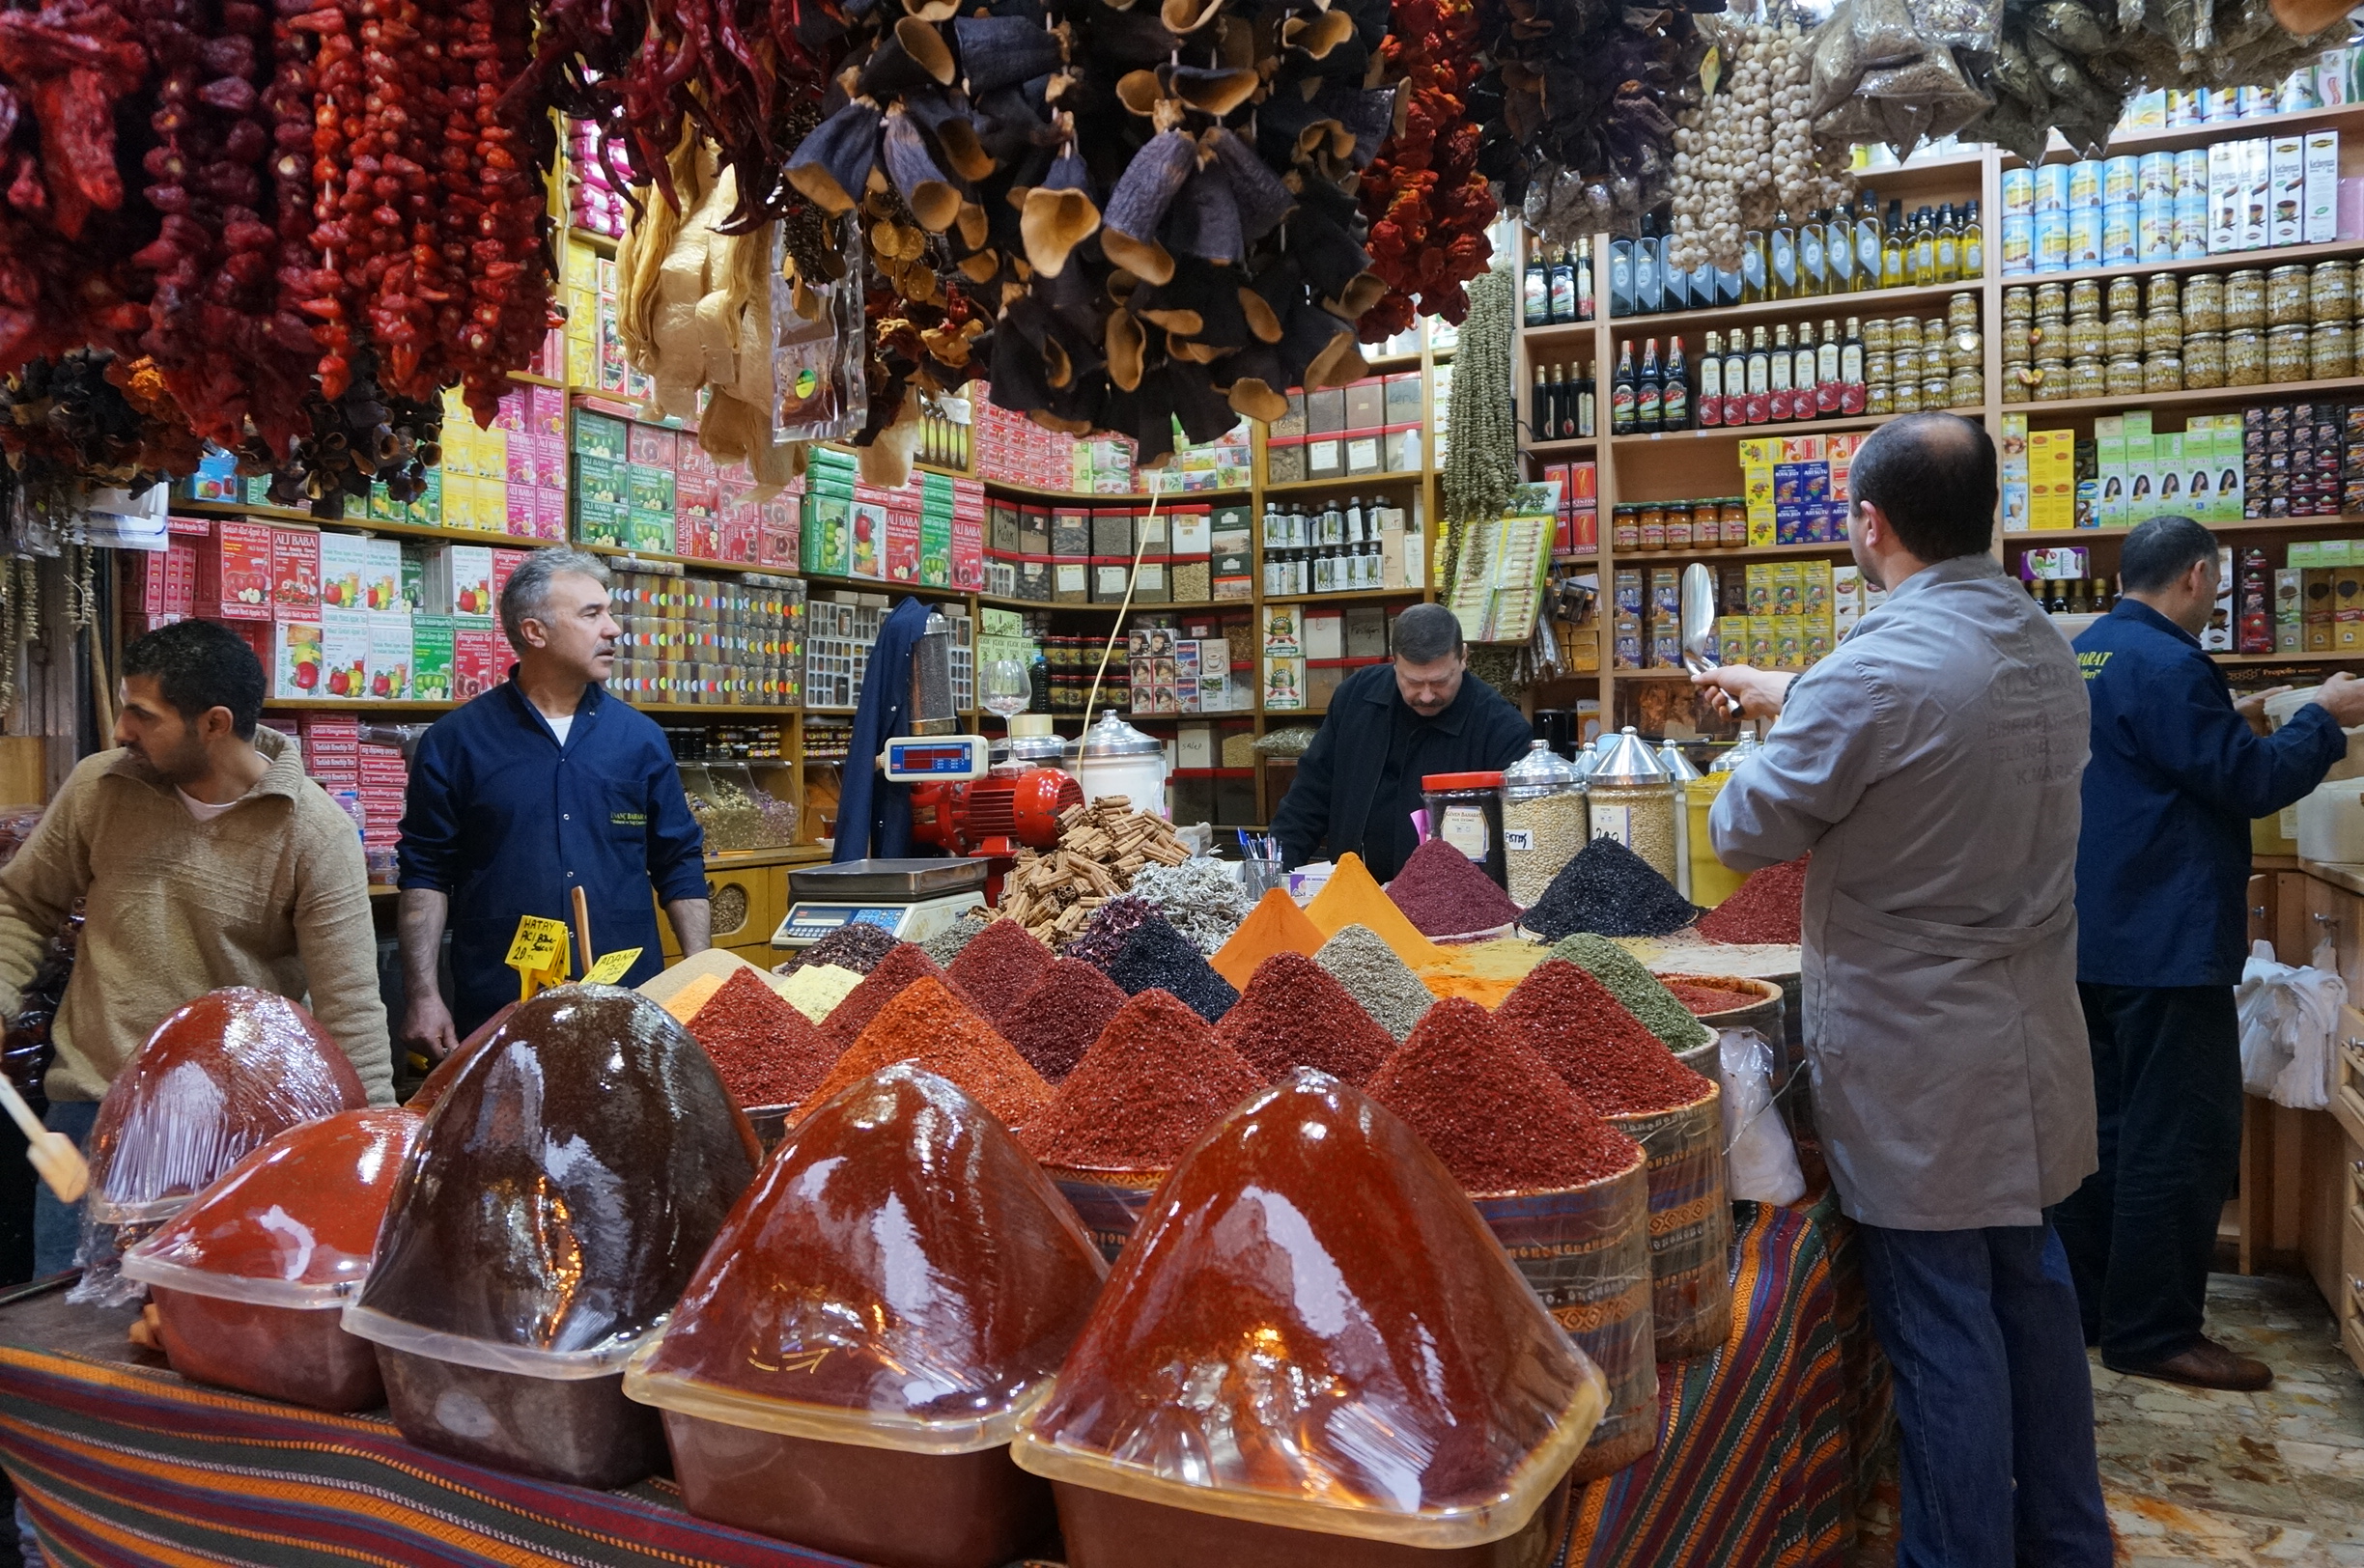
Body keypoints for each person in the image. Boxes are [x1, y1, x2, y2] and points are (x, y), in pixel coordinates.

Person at [1694, 412, 2109, 1568]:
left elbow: (1743, 831)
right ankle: (2070, 1544)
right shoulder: (2045, 639)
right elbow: (1924, 713)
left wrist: (1762, 734)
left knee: (1939, 1326)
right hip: (2030, 1031)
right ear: (1993, 513)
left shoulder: (1871, 669)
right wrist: (1794, 695)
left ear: (1868, 525)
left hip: (1919, 1050)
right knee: (2032, 1298)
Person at [2061, 515, 2364, 1392]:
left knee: (2102, 1131)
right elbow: (2254, 780)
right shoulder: (2171, 662)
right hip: (2165, 939)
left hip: (2088, 935)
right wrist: (2324, 716)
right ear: (2197, 576)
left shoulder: (2090, 654)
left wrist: (2225, 717)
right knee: (2182, 1137)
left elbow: (2144, 752)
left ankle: (2091, 1308)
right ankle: (2154, 1332)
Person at [0, 620, 393, 1279]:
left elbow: (349, 1008)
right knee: (63, 1350)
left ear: (213, 723)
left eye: (141, 714)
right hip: (92, 1111)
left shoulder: (315, 833)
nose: (121, 728)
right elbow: (20, 903)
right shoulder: (101, 787)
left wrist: (375, 1155)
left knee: (189, 1355)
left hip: (233, 1140)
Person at [397, 548, 709, 1051]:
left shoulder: (640, 739)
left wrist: (700, 978)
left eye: (609, 612)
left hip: (628, 998)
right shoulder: (456, 742)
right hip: (502, 1004)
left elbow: (678, 861)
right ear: (535, 632)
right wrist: (423, 994)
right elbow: (425, 872)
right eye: (591, 614)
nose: (613, 629)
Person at [1270, 602, 1532, 882]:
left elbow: (1519, 843)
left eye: (1441, 681)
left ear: (1463, 657)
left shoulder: (1502, 728)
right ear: (1394, 662)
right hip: (1354, 898)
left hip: (1448, 908)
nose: (1427, 696)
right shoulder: (1356, 698)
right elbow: (1310, 795)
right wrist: (1274, 872)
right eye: (1413, 682)